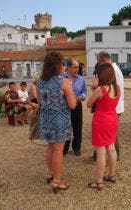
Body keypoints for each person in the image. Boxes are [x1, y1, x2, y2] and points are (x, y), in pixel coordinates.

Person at [38, 52, 76, 193]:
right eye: (62, 63)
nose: (64, 66)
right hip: (60, 120)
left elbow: (40, 103)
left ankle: (50, 174)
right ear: (57, 66)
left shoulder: (40, 81)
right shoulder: (64, 82)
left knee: (50, 147)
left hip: (46, 119)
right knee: (58, 150)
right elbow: (72, 105)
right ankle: (57, 181)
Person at [87, 63, 120, 191]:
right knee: (111, 148)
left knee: (100, 151)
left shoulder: (101, 89)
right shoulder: (117, 88)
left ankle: (99, 182)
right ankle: (112, 175)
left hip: (101, 121)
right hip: (112, 119)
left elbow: (89, 104)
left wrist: (94, 88)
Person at [63, 59, 87, 156]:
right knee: (65, 128)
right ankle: (64, 148)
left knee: (77, 128)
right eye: (74, 67)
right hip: (64, 107)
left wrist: (83, 96)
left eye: (78, 67)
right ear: (68, 67)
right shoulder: (61, 79)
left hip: (77, 106)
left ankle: (77, 148)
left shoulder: (81, 79)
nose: (77, 69)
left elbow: (84, 92)